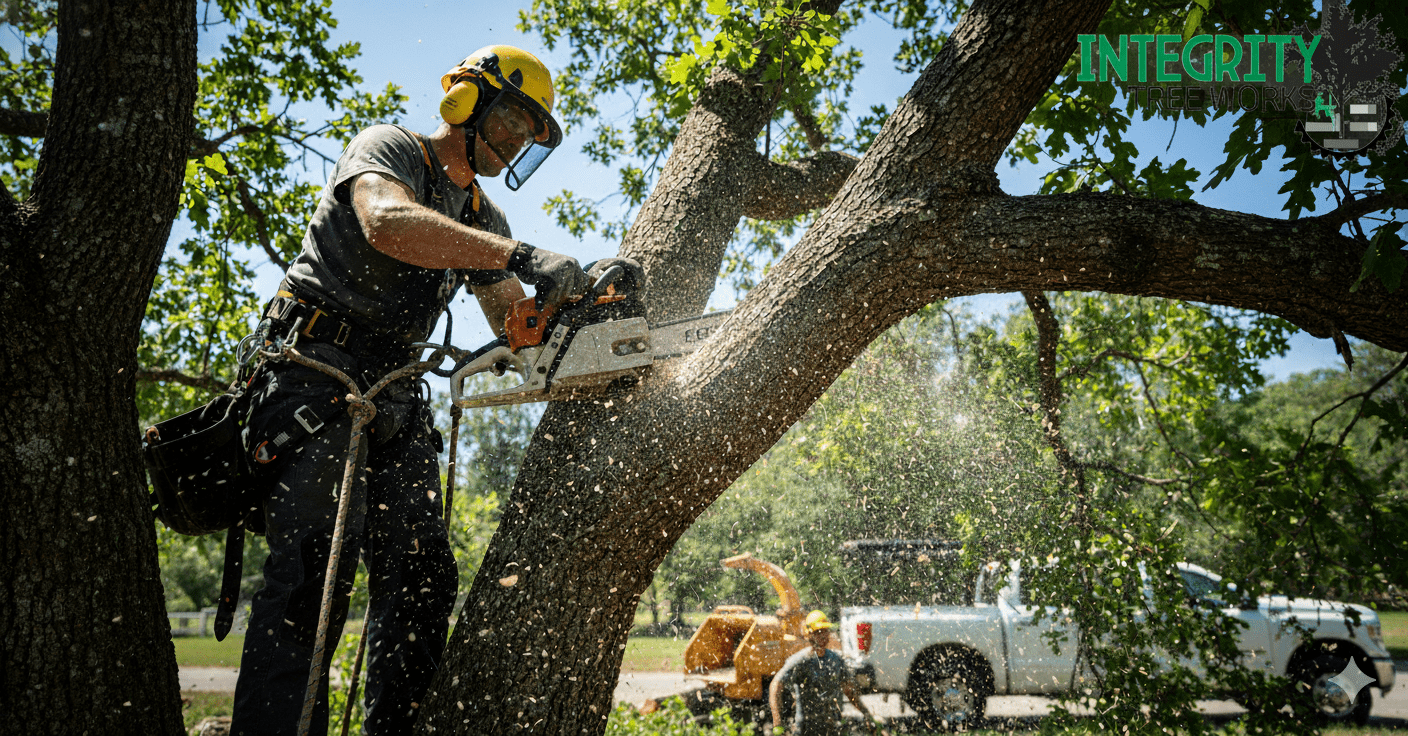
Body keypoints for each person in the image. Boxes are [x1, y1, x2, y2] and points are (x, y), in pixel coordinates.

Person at [230, 45, 591, 735]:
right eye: (514, 120)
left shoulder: (484, 219)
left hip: (393, 393)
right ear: (468, 101)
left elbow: (515, 324)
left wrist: (569, 310)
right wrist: (517, 256)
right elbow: (385, 222)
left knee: (425, 574)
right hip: (313, 372)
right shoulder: (390, 149)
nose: (515, 141)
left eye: (529, 135)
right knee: (313, 576)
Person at [770, 611, 883, 736]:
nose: (822, 635)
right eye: (818, 632)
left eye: (824, 631)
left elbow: (849, 691)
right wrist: (777, 723)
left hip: (832, 728)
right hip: (805, 730)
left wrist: (867, 715)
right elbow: (775, 685)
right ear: (809, 635)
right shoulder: (801, 661)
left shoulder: (835, 659)